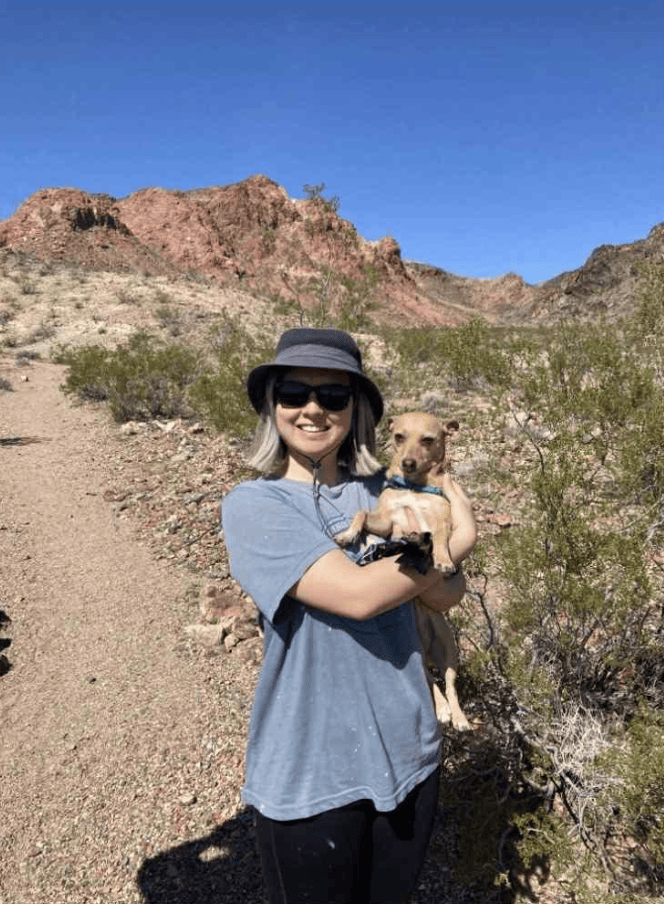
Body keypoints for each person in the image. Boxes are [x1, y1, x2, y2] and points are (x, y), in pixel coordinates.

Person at [221, 327, 477, 904]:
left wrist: (442, 556)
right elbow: (359, 595)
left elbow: (444, 599)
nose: (313, 408)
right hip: (312, 769)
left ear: (355, 411)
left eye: (334, 397)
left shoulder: (380, 494)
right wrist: (460, 539)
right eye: (293, 393)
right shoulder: (254, 504)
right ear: (273, 406)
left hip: (409, 751)